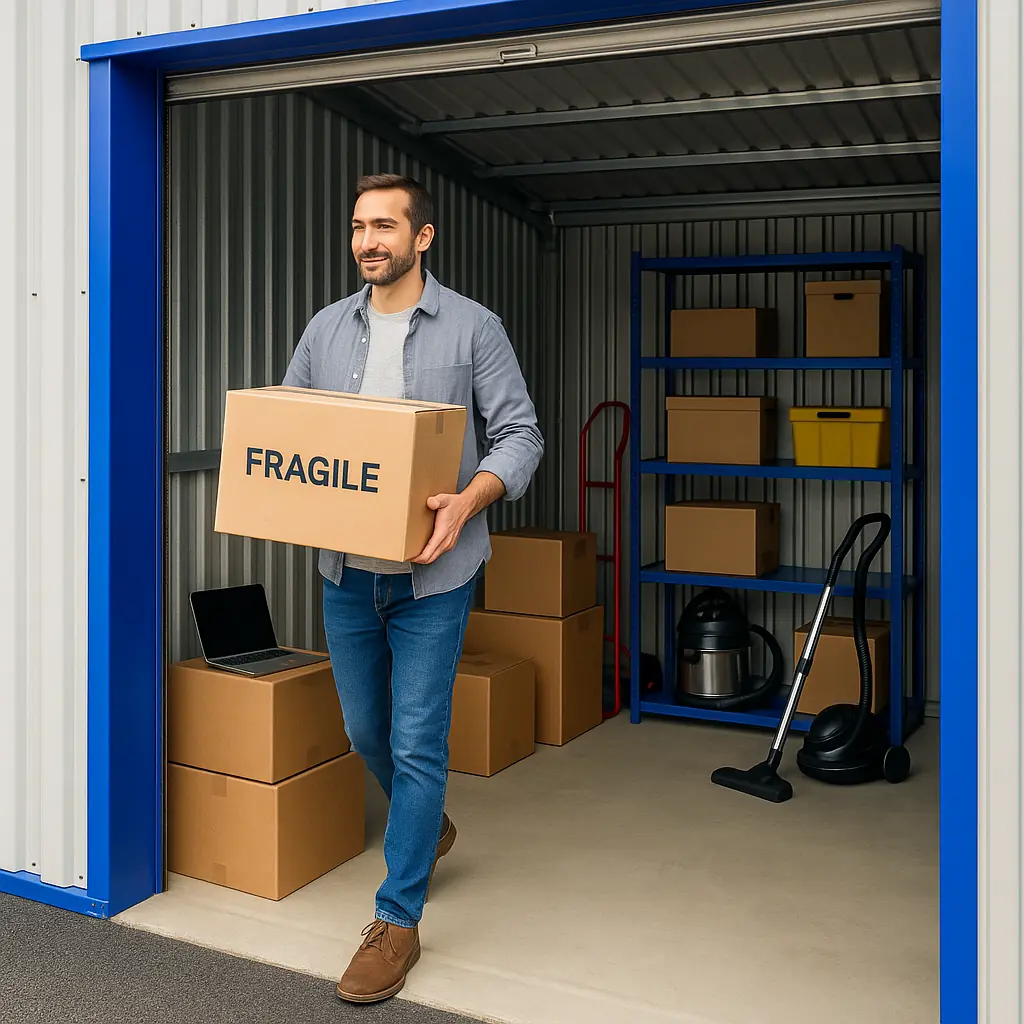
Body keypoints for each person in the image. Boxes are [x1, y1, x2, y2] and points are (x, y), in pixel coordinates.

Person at [282, 173, 544, 1003]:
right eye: (359, 226)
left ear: (422, 237)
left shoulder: (473, 328)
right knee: (367, 730)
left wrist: (471, 498)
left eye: (385, 227)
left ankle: (397, 922)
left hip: (436, 574)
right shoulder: (327, 330)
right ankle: (425, 826)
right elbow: (290, 423)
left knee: (418, 739)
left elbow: (521, 433)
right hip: (347, 574)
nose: (369, 241)